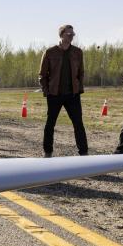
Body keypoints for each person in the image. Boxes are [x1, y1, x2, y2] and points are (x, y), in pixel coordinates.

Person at [39, 24, 88, 157]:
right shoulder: (50, 52)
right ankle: (47, 152)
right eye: (69, 34)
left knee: (78, 124)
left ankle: (84, 153)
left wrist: (79, 89)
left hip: (73, 95)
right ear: (61, 35)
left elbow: (81, 72)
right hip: (54, 95)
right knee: (50, 124)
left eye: (73, 34)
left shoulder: (77, 52)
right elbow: (42, 75)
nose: (72, 36)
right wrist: (47, 91)